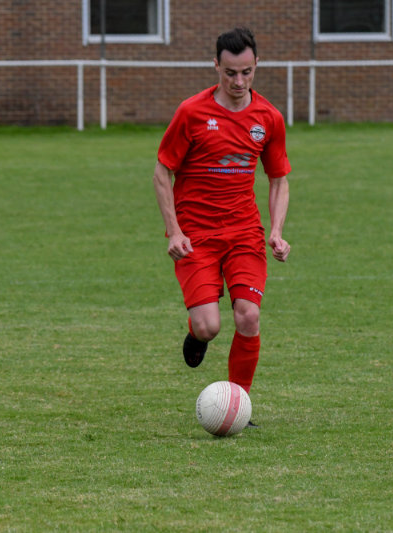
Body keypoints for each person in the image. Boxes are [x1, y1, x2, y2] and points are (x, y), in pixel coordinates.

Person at [153, 27, 291, 411]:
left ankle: (237, 405)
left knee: (249, 316)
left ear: (257, 64)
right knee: (208, 326)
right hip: (195, 235)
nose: (239, 81)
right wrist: (174, 232)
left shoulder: (269, 118)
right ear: (216, 65)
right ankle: (197, 333)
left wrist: (277, 231)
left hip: (244, 232)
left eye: (247, 72)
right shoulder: (191, 113)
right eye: (230, 73)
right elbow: (162, 173)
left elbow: (279, 179)